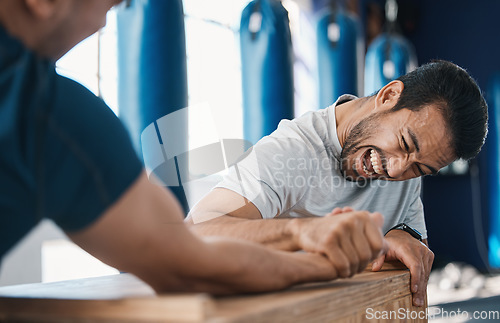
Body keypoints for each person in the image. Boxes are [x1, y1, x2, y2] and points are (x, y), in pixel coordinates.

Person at [0, 0, 388, 294]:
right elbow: (189, 262)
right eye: (107, 4)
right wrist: (321, 258)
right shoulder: (46, 113)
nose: (105, 20)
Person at [186, 60, 489, 306]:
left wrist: (401, 234)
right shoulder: (291, 152)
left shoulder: (406, 163)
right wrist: (300, 232)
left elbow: (411, 238)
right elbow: (194, 234)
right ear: (388, 96)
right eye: (405, 143)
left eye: (421, 167)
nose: (397, 171)